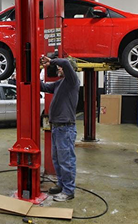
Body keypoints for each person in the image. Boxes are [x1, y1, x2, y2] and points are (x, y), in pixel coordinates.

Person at [40, 56, 80, 202]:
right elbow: (42, 87)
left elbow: (64, 62)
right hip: (56, 128)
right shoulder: (59, 84)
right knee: (57, 159)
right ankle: (62, 185)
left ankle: (69, 191)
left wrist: (51, 61)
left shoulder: (72, 81)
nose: (58, 68)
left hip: (65, 128)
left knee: (66, 160)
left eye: (61, 68)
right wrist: (34, 71)